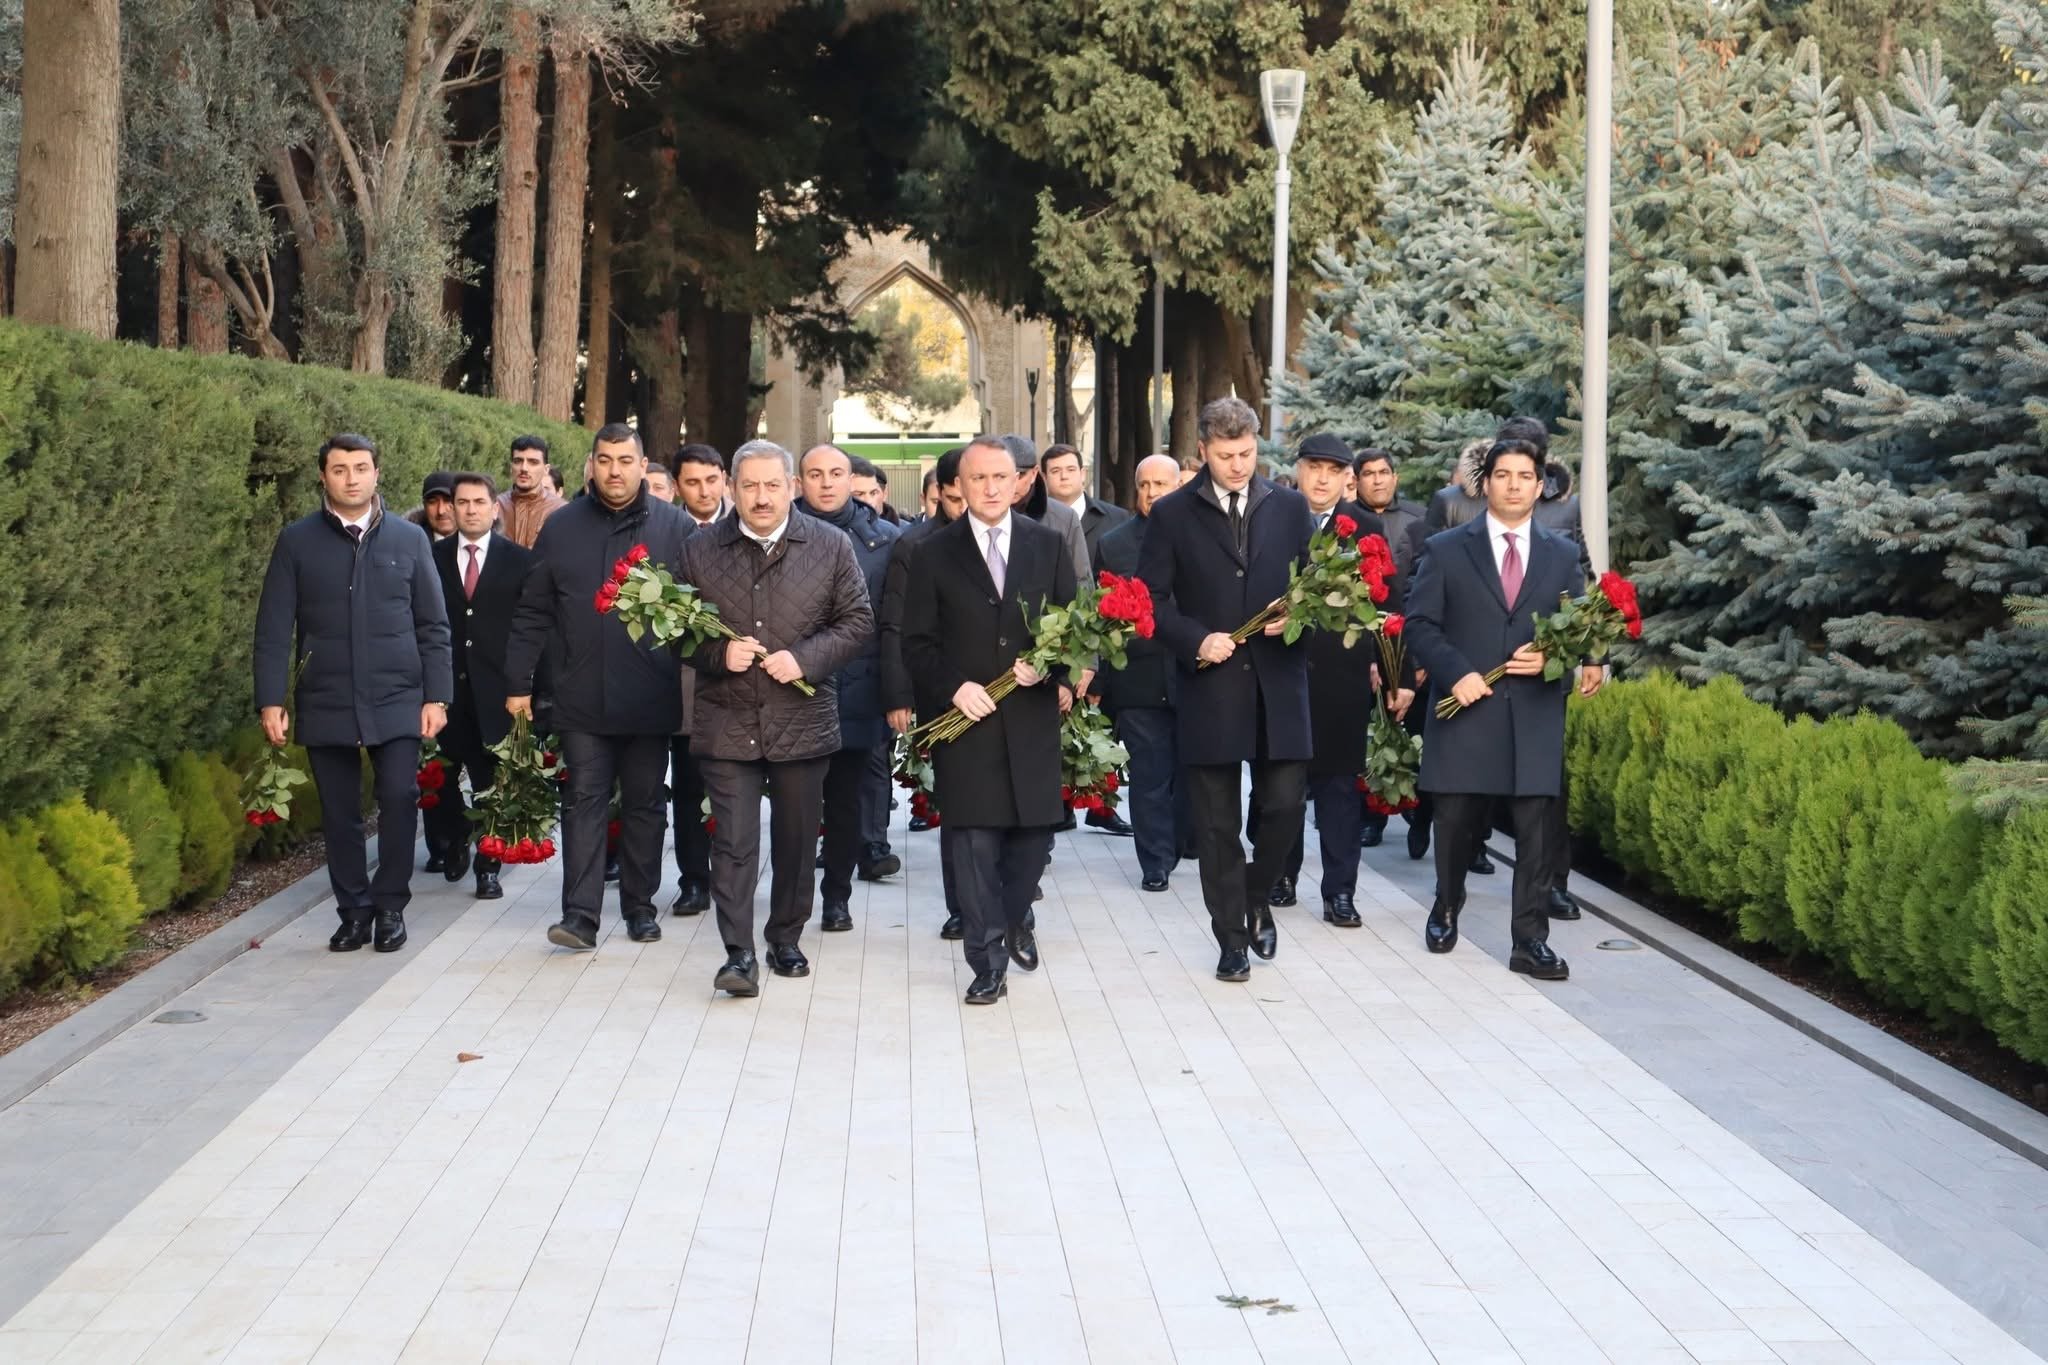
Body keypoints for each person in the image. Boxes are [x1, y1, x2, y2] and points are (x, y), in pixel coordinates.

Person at [1404, 437, 1604, 982]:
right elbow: (1419, 624)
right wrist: (1457, 672)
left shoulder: (1562, 555)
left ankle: (1529, 940)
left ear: (1540, 487)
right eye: (1503, 475)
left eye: (1525, 476)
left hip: (1535, 712)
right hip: (1469, 708)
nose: (1513, 485)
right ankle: (1446, 906)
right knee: (1456, 823)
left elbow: (1581, 630)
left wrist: (1556, 660)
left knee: (1537, 831)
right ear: (1485, 483)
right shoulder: (1447, 548)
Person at [683, 440, 873, 995]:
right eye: (750, 486)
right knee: (734, 842)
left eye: (772, 485)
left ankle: (785, 937)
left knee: (794, 839)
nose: (761, 498)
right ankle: (738, 954)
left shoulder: (832, 546)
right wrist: (718, 655)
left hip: (803, 719)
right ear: (731, 489)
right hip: (726, 720)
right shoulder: (698, 551)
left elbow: (858, 621)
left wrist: (806, 658)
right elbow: (676, 631)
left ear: (791, 487)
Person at [254, 434, 452, 954]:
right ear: (323, 476)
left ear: (376, 474)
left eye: (360, 468)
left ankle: (390, 908)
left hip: (397, 695)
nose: (351, 478)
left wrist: (438, 696)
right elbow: (274, 628)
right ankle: (354, 911)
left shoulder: (410, 541)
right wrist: (270, 699)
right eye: (339, 469)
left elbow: (433, 624)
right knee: (338, 811)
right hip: (327, 696)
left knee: (399, 797)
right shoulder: (297, 541)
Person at [1140, 398, 1312, 983]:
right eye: (1225, 455)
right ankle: (1231, 938)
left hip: (1279, 685)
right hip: (1208, 686)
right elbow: (1152, 602)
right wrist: (1195, 639)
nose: (1238, 465)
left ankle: (1257, 893)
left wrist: (1298, 618)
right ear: (1203, 453)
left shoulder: (1290, 507)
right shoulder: (1171, 515)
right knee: (1216, 824)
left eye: (1247, 454)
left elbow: (1316, 588)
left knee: (1286, 805)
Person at [505, 424, 692, 951]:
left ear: (642, 464)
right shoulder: (561, 527)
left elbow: (698, 612)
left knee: (645, 804)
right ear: (591, 465)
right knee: (583, 801)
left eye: (625, 461)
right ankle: (580, 916)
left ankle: (639, 907)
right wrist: (518, 683)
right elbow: (533, 610)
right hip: (578, 694)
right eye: (605, 460)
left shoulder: (676, 529)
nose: (615, 470)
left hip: (650, 695)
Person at [904, 437, 1076, 1005]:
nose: (992, 488)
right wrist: (955, 686)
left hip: (1029, 720)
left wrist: (1053, 669)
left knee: (1030, 844)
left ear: (1020, 482)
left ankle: (1015, 913)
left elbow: (1074, 627)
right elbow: (918, 642)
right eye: (978, 479)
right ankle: (986, 960)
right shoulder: (932, 553)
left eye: (1002, 477)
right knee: (973, 848)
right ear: (959, 486)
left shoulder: (1048, 546)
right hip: (967, 724)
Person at [1269, 433, 1394, 927]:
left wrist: (1391, 673)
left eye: (1332, 470)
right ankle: (1281, 874)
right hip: (1282, 671)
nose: (1321, 478)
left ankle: (1340, 892)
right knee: (1280, 787)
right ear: (1298, 470)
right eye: (1313, 467)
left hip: (1343, 677)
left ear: (1348, 477)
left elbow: (1388, 605)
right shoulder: (1274, 519)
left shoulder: (1366, 528)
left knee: (1340, 791)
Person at [800, 442, 904, 932]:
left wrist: (896, 693)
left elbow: (895, 623)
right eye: (815, 473)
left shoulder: (885, 540)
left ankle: (836, 898)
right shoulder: (777, 530)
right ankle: (794, 896)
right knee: (796, 806)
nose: (825, 482)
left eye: (835, 473)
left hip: (858, 690)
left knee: (845, 804)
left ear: (852, 480)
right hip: (792, 690)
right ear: (799, 481)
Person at [429, 472, 534, 901]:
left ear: (495, 509)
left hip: (497, 690)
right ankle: (454, 841)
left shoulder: (520, 561)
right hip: (445, 690)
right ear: (452, 509)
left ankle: (489, 866)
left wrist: (524, 686)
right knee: (445, 775)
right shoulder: (430, 556)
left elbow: (530, 628)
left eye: (479, 502)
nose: (470, 509)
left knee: (492, 778)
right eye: (462, 502)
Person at [1093, 453, 1193, 891]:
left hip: (1194, 673)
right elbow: (1102, 616)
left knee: (1190, 773)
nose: (1152, 493)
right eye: (1145, 485)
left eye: (1162, 484)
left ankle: (1182, 841)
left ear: (1180, 488)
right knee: (1150, 773)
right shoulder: (1113, 544)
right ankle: (1154, 862)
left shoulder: (1203, 537)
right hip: (1139, 676)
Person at [881, 447, 965, 851]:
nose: (967, 508)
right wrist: (899, 695)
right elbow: (896, 622)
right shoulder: (915, 545)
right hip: (940, 686)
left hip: (1004, 684)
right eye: (954, 499)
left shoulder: (1017, 538)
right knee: (954, 796)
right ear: (938, 492)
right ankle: (962, 901)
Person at [1353, 448, 1430, 853]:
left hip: (1412, 645)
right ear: (1357, 480)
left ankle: (1421, 817)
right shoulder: (1348, 522)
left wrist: (1421, 660)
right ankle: (1372, 819)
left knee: (1416, 734)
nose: (1378, 480)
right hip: (1366, 644)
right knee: (1371, 737)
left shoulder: (1420, 520)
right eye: (1369, 473)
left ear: (1395, 478)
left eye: (1384, 472)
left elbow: (1429, 591)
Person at [1041, 442, 1130, 566]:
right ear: (1044, 478)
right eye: (1055, 471)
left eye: (1071, 469)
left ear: (1083, 474)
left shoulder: (1117, 519)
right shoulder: (1030, 520)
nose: (1064, 476)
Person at [498, 435, 566, 548]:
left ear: (546, 469)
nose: (524, 468)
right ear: (511, 467)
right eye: (518, 461)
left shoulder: (561, 510)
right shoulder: (495, 506)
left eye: (533, 462)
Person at [674, 443, 730, 528]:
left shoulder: (745, 521)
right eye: (693, 483)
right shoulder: (663, 527)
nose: (704, 493)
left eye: (711, 481)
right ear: (676, 487)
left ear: (724, 479)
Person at [411, 471, 458, 541]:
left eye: (448, 500)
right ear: (424, 506)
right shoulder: (407, 544)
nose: (440, 511)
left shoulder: (477, 545)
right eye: (432, 502)